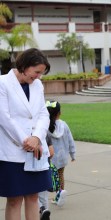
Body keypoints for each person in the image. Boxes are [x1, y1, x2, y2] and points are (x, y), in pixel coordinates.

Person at [0, 48, 51, 220]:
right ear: (25, 66)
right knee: (14, 200)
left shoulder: (37, 85)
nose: (38, 76)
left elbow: (43, 114)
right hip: (12, 152)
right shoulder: (3, 83)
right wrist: (26, 140)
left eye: (41, 73)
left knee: (33, 196)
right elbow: (4, 118)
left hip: (36, 150)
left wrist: (36, 138)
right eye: (36, 72)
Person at [45, 100, 76, 207]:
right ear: (59, 113)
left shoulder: (45, 127)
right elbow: (70, 140)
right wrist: (73, 154)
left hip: (51, 158)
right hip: (63, 157)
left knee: (51, 177)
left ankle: (53, 194)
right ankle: (60, 193)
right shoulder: (64, 125)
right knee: (60, 175)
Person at [38, 140, 54, 220]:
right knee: (43, 196)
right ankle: (45, 213)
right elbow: (51, 152)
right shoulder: (45, 133)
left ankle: (42, 208)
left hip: (29, 168)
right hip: (44, 167)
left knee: (31, 196)